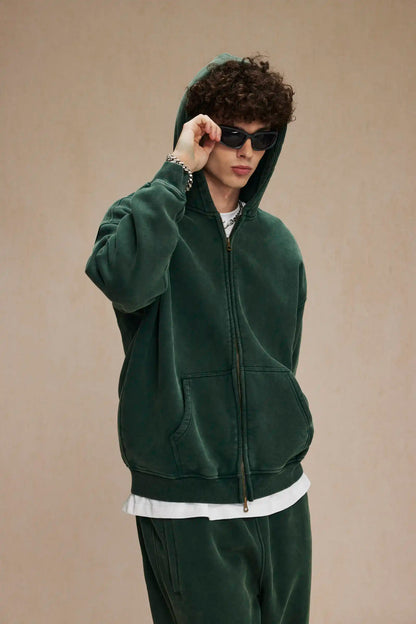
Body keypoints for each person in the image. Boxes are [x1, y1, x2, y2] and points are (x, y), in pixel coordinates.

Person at [85, 53, 314, 624]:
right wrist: (176, 169)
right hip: (187, 501)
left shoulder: (278, 245)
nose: (246, 152)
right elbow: (125, 282)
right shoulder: (144, 218)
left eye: (262, 139)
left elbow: (281, 360)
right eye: (232, 134)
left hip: (282, 496)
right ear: (202, 131)